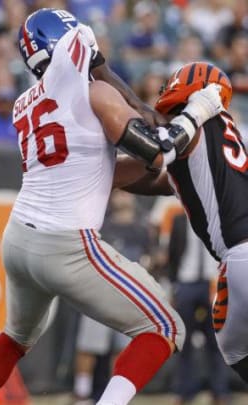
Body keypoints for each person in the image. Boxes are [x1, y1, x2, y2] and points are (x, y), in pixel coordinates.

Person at [0, 8, 225, 405]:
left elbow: (110, 174)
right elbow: (157, 152)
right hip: (65, 242)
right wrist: (199, 110)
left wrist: (177, 183)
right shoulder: (86, 86)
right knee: (165, 328)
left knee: (14, 339)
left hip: (19, 240)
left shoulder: (25, 103)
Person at [122, 61, 248, 384]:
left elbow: (159, 147)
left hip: (241, 254)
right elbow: (165, 182)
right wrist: (106, 175)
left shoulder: (196, 124)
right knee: (233, 348)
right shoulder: (220, 130)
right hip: (236, 259)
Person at [71, 190, 149, 404]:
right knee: (89, 346)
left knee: (122, 350)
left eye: (127, 192)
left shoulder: (143, 229)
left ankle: (115, 396)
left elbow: (152, 260)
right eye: (119, 193)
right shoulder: (101, 227)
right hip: (99, 294)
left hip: (129, 298)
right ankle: (82, 393)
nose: (124, 196)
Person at [167, 212, 229, 405]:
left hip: (213, 284)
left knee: (217, 342)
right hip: (186, 283)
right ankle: (185, 392)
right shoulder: (179, 219)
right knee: (183, 341)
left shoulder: (221, 219)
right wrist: (173, 288)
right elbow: (173, 255)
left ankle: (219, 392)